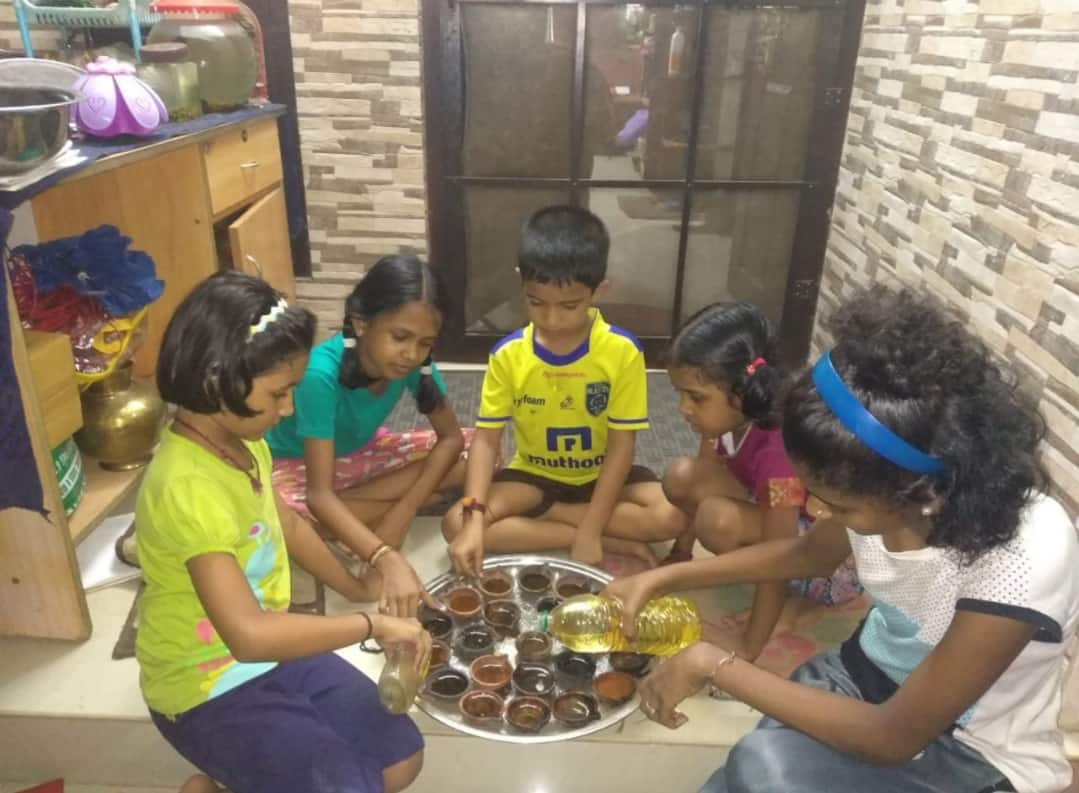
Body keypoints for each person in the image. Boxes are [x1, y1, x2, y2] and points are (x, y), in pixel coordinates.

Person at [611, 287, 1079, 793]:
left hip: (967, 747)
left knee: (767, 769)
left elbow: (892, 737)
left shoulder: (1023, 556)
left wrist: (715, 664)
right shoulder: (883, 474)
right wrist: (665, 576)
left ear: (922, 494)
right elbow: (808, 554)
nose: (814, 511)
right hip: (861, 674)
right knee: (747, 775)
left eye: (837, 504)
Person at [136, 272, 430, 793]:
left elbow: (288, 522)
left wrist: (357, 585)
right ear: (214, 380)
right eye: (279, 394)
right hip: (205, 684)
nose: (289, 409)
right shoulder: (186, 486)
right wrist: (370, 624)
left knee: (401, 760)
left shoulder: (242, 442)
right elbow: (248, 636)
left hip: (269, 654)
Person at [443, 205, 685, 576]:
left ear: (599, 291)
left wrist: (590, 525)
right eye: (536, 302)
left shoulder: (621, 351)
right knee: (456, 524)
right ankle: (604, 535)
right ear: (521, 282)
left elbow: (622, 445)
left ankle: (570, 522)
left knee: (670, 518)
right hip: (534, 480)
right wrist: (476, 522)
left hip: (601, 476)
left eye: (569, 306)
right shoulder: (508, 354)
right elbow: (487, 440)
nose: (552, 319)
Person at [625, 302, 860, 661]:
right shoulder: (724, 418)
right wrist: (681, 552)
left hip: (828, 566)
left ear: (740, 392)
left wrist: (749, 648)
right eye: (681, 394)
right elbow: (702, 472)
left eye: (696, 397)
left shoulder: (779, 453)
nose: (682, 409)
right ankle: (765, 584)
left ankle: (794, 605)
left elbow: (785, 552)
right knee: (681, 476)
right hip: (781, 515)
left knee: (716, 519)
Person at [266, 254, 466, 617]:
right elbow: (318, 493)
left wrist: (402, 513)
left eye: (425, 343)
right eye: (400, 337)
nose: (411, 354)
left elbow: (451, 438)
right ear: (361, 323)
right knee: (281, 517)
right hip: (295, 468)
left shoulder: (412, 363)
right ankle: (339, 521)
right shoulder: (318, 375)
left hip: (360, 457)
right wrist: (384, 553)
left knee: (475, 452)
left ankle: (345, 520)